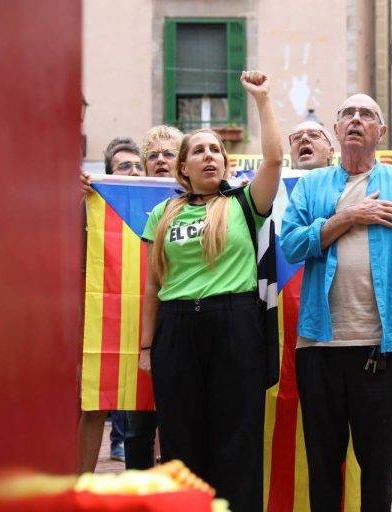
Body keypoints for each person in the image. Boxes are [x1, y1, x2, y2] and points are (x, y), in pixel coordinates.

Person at [281, 93, 392, 512]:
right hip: (319, 347)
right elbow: (291, 246)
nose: (355, 119)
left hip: (379, 348)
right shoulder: (311, 185)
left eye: (366, 114)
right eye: (347, 113)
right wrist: (349, 216)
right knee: (323, 464)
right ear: (336, 128)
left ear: (379, 132)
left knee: (378, 466)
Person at [139, 70, 282, 512]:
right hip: (177, 330)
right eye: (198, 151)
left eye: (215, 150)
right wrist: (147, 347)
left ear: (226, 161)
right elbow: (151, 286)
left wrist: (262, 100)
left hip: (235, 326)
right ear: (183, 167)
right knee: (182, 444)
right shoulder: (162, 213)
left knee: (237, 443)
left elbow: (275, 161)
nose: (208, 157)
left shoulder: (244, 203)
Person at [77, 137, 142, 473]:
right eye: (123, 167)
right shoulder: (91, 202)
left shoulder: (165, 200)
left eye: (136, 165)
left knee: (151, 409)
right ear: (107, 175)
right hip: (105, 314)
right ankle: (79, 487)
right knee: (94, 403)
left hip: (148, 313)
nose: (132, 171)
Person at [125, 125, 185, 471]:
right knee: (136, 425)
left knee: (179, 423)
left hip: (181, 323)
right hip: (135, 324)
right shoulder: (121, 195)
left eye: (169, 154)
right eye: (153, 155)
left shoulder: (205, 197)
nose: (160, 161)